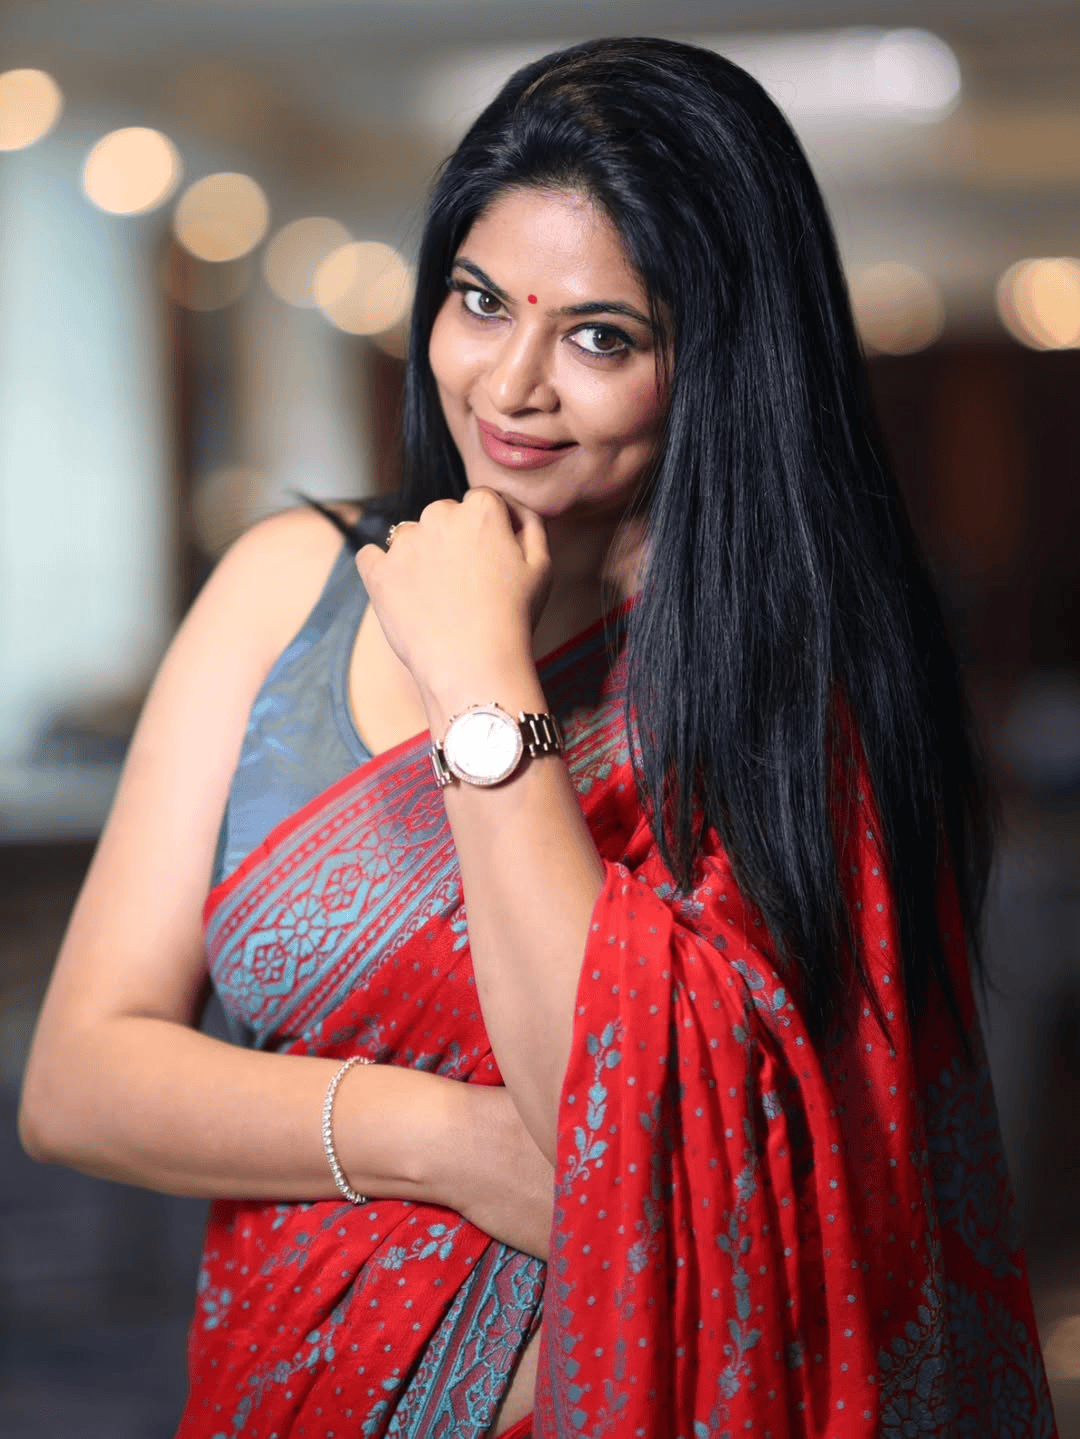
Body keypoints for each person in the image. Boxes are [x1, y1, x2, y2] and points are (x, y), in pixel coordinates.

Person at [19, 35, 1057, 1439]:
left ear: (717, 363)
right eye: (479, 301)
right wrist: (445, 1141)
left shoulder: (789, 699)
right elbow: (79, 1076)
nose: (510, 386)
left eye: (599, 336)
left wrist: (480, 683)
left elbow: (614, 1124)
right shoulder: (291, 585)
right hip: (279, 1389)